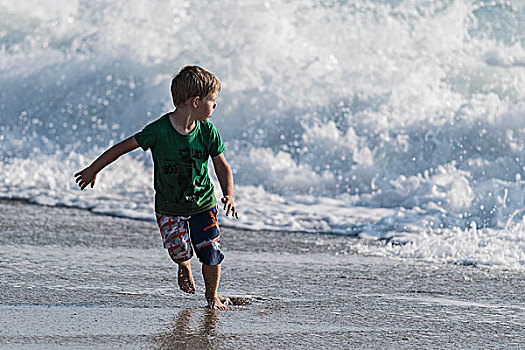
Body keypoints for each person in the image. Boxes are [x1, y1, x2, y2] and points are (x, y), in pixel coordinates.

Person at [74, 65, 238, 310]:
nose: (216, 105)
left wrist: (229, 194)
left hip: (204, 203)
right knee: (179, 251)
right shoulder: (158, 131)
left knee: (210, 251)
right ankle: (184, 266)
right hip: (169, 207)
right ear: (196, 101)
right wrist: (93, 169)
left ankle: (212, 296)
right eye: (213, 100)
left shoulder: (208, 132)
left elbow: (222, 166)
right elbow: (122, 147)